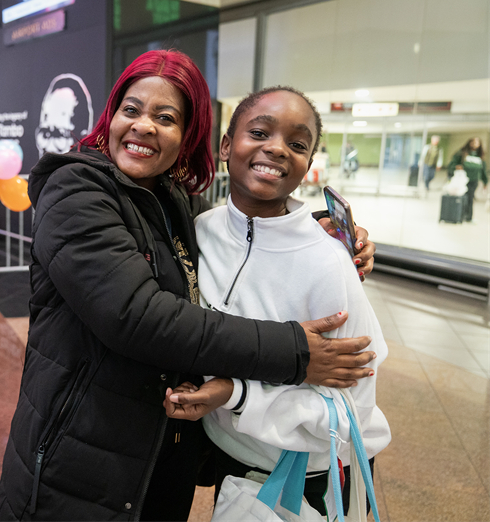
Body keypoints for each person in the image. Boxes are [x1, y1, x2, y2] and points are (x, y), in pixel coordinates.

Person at [0, 50, 377, 521]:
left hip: (156, 462)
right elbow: (138, 316)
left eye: (165, 117)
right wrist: (293, 351)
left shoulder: (173, 202)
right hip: (78, 457)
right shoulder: (77, 190)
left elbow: (245, 240)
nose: (144, 126)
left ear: (187, 135)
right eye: (130, 110)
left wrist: (306, 231)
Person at [164, 86, 391, 517]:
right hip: (230, 460)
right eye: (260, 132)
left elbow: (351, 417)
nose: (277, 149)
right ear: (227, 145)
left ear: (308, 165)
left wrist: (237, 395)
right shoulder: (201, 231)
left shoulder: (328, 261)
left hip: (307, 477)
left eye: (298, 143)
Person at [447, 137, 487, 222]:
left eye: (477, 142)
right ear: (469, 143)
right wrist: (456, 167)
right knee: (463, 197)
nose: (475, 144)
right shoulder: (462, 153)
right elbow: (452, 165)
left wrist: (485, 182)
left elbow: (483, 170)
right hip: (462, 180)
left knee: (470, 197)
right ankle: (459, 215)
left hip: (474, 180)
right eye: (473, 142)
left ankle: (469, 217)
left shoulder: (480, 156)